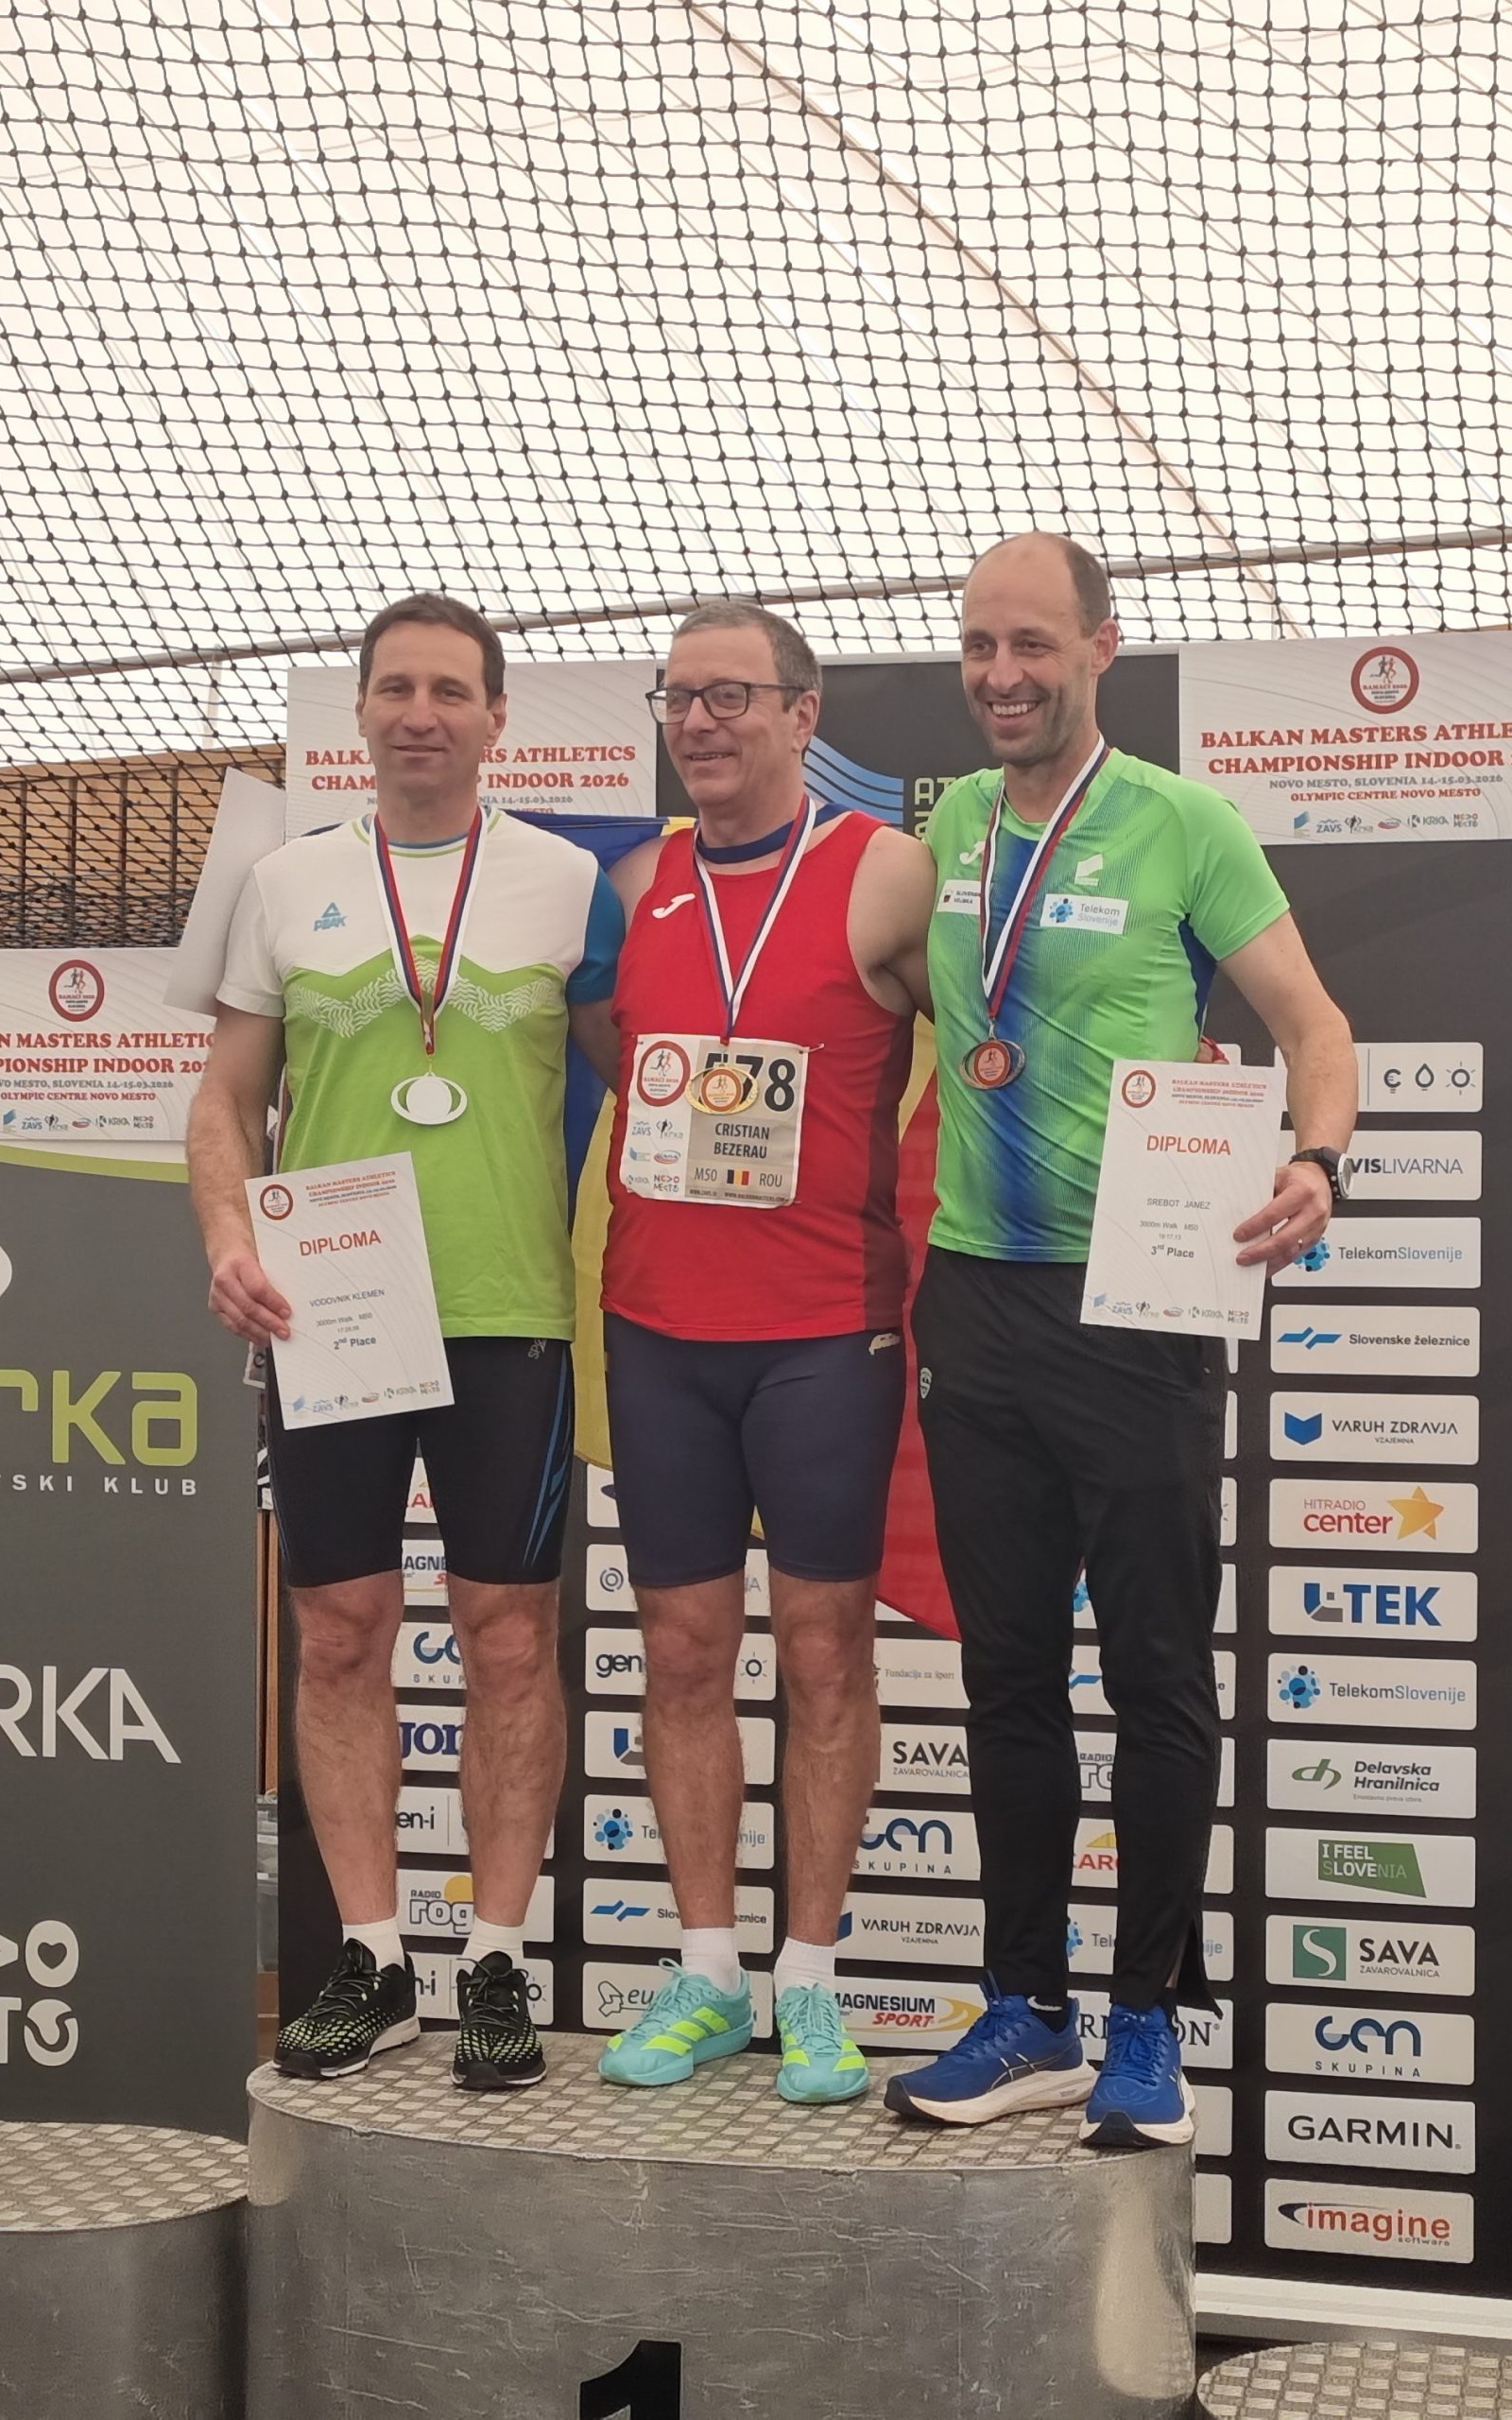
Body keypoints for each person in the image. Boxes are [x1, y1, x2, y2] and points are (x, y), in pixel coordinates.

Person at [885, 533, 1356, 2144]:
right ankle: (1027, 2010)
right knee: (1007, 1672)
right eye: (978, 646)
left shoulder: (1182, 822)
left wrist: (1318, 1159)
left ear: (1101, 644)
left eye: (1031, 643)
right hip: (978, 1298)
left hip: (1142, 1297)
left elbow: (1313, 1024)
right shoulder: (949, 823)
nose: (1001, 674)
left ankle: (1146, 2021)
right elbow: (916, 989)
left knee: (1156, 1673)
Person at [189, 593, 623, 2092]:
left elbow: (659, 1077)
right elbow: (223, 1099)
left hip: (511, 1314)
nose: (421, 713)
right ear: (360, 713)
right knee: (339, 1630)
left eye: (450, 690)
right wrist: (228, 1237)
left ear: (498, 718)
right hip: (333, 1312)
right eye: (396, 689)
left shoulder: (570, 882)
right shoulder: (284, 882)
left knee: (507, 1635)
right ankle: (372, 1961)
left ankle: (492, 1960)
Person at [592, 603, 935, 2106]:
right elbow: (608, 1058)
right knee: (677, 1653)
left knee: (822, 1651)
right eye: (680, 696)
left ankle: (809, 1978)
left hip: (823, 1334)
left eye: (732, 695)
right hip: (660, 1330)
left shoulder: (885, 872)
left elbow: (998, 1044)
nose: (700, 721)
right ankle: (706, 1969)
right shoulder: (635, 882)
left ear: (805, 714)